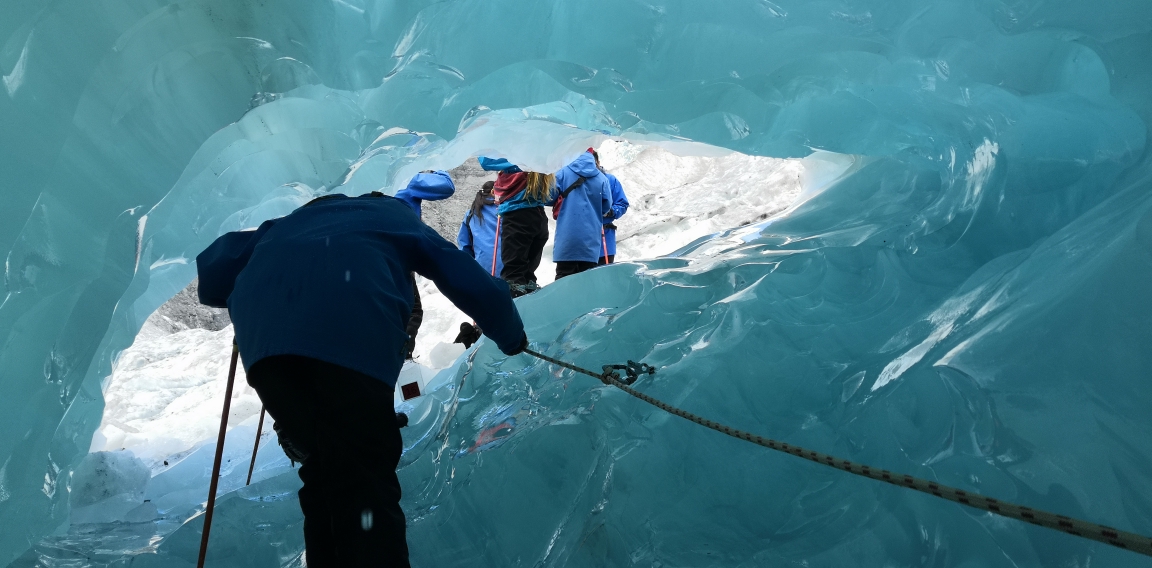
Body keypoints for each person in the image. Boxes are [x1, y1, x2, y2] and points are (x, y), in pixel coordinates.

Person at [196, 191, 526, 567]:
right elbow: (461, 273)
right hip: (347, 333)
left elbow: (213, 271)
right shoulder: (390, 216)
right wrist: (511, 334)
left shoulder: (284, 225)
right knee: (365, 478)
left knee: (322, 468)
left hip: (268, 350)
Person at [394, 170, 455, 358]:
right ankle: (400, 358)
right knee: (410, 311)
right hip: (398, 253)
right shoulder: (404, 176)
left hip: (371, 254)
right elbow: (446, 186)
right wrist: (433, 166)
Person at [479, 157, 552, 297]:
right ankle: (530, 313)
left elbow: (486, 161)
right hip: (538, 216)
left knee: (513, 276)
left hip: (517, 217)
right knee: (527, 274)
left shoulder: (520, 157)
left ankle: (516, 314)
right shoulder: (540, 161)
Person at [550, 148, 612, 279]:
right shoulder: (602, 178)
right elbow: (606, 206)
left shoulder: (563, 173)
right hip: (590, 243)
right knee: (587, 283)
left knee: (564, 280)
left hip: (567, 240)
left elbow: (548, 197)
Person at [456, 180, 503, 276]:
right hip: (509, 269)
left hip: (481, 271)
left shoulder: (471, 214)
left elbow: (464, 247)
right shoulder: (506, 211)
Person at [599, 170, 629, 265]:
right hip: (583, 244)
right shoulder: (578, 180)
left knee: (604, 275)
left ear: (598, 162)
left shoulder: (610, 180)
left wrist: (611, 211)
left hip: (605, 239)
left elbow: (622, 204)